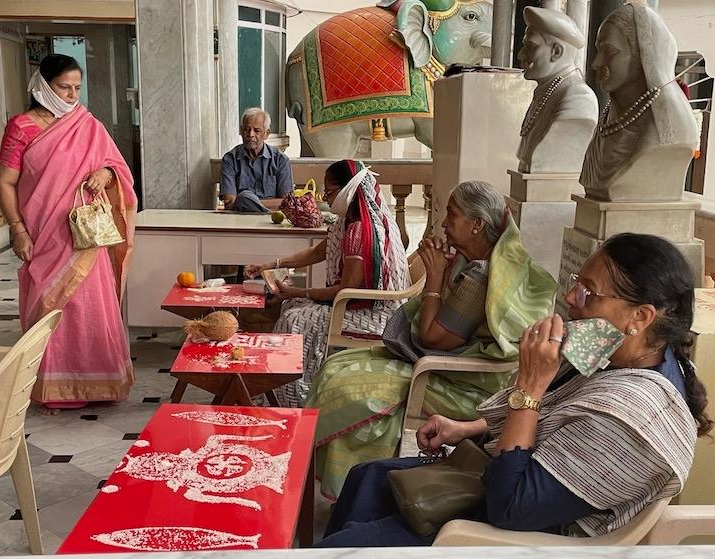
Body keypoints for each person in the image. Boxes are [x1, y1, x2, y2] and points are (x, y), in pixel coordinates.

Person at [317, 233, 711, 547]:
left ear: (639, 318)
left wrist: (530, 384)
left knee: (352, 543)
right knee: (367, 477)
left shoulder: (634, 418)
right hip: (506, 483)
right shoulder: (630, 357)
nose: (571, 300)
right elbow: (558, 424)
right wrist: (470, 428)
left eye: (588, 292)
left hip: (520, 535)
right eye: (576, 285)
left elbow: (510, 507)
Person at [305, 180, 558, 500]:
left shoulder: (481, 274)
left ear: (477, 224)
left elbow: (433, 338)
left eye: (451, 215)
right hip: (453, 367)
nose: (443, 224)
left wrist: (436, 278)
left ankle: (356, 491)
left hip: (467, 384)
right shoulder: (482, 260)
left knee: (349, 387)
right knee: (338, 363)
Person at [0, 54, 137, 411]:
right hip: (44, 234)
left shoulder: (86, 124)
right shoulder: (21, 127)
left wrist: (105, 175)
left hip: (86, 237)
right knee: (49, 308)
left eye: (77, 87)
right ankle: (54, 387)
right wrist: (17, 229)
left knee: (91, 308)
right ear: (43, 84)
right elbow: (6, 181)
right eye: (64, 87)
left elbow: (115, 167)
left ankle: (99, 385)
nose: (72, 95)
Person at [245, 160, 410, 407]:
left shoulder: (360, 230)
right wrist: (271, 265)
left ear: (348, 189)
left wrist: (297, 292)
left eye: (329, 191)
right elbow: (316, 253)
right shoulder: (347, 222)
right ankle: (276, 390)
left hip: (374, 314)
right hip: (355, 302)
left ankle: (295, 399)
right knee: (293, 307)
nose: (324, 197)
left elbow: (344, 292)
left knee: (296, 319)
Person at [581, 3, 697, 200]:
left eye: (609, 51)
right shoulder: (610, 115)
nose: (596, 63)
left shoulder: (670, 127)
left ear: (641, 56)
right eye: (598, 50)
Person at [516, 6, 598, 173]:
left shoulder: (578, 98)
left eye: (531, 46)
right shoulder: (548, 91)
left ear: (557, 51)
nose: (521, 55)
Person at [220, 108, 293, 212]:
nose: (250, 135)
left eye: (257, 130)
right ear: (241, 131)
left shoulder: (280, 160)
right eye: (246, 129)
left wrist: (246, 202)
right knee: (244, 196)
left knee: (244, 197)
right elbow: (230, 203)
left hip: (272, 219)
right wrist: (271, 204)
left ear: (266, 134)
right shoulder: (230, 159)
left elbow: (287, 203)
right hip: (239, 220)